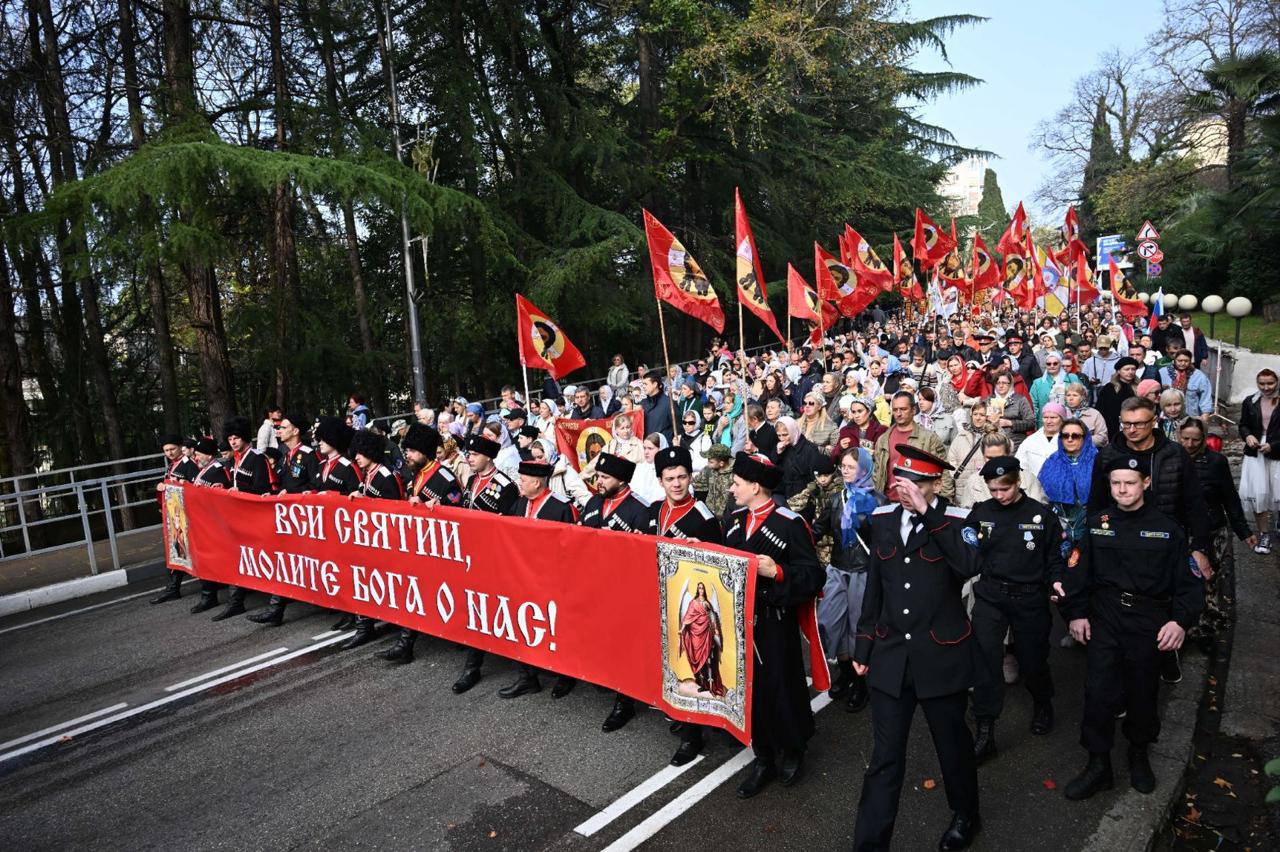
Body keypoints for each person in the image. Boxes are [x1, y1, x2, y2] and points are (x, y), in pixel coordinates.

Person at [852, 445, 983, 852]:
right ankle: (870, 843)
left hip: (940, 654)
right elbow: (876, 585)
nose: (903, 489)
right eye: (899, 480)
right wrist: (863, 644)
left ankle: (966, 814)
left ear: (934, 484)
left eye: (914, 483)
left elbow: (968, 565)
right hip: (892, 655)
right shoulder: (882, 519)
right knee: (885, 757)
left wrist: (928, 512)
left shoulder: (958, 520)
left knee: (952, 746)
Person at [1059, 454, 1204, 800]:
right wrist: (1076, 614)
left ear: (1146, 484)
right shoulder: (1096, 525)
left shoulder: (1168, 530)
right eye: (1116, 483)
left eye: (1130, 483)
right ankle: (1098, 765)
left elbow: (1189, 584)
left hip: (1147, 621)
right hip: (1105, 617)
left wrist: (1180, 621)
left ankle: (1139, 754)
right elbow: (1076, 574)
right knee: (1097, 692)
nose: (1122, 490)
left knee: (1142, 692)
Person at [723, 452, 826, 798]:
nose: (731, 488)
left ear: (755, 486)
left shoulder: (789, 523)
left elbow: (813, 575)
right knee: (749, 692)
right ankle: (763, 755)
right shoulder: (735, 520)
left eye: (736, 484)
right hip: (741, 621)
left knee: (782, 688)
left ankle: (794, 748)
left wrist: (778, 572)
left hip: (775, 622)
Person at [964, 456, 1063, 766]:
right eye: (993, 490)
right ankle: (985, 729)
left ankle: (1043, 703)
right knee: (985, 660)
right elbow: (966, 545)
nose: (999, 495)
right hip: (992, 596)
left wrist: (1058, 581)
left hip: (1029, 598)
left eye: (1004, 489)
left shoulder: (1040, 515)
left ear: (1018, 482)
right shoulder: (981, 512)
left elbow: (1055, 557)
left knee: (1033, 660)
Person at [648, 445, 723, 767]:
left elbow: (717, 565)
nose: (676, 484)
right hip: (660, 599)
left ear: (691, 478)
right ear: (660, 481)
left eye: (682, 477)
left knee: (691, 668)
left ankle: (692, 735)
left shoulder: (703, 517)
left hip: (691, 610)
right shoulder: (655, 510)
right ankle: (680, 714)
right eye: (669, 478)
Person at [380, 424, 463, 664]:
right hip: (419, 545)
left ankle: (461, 635)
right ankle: (406, 644)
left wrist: (436, 507)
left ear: (425, 452)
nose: (408, 455)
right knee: (411, 590)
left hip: (443, 547)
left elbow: (457, 508)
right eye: (407, 451)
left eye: (413, 451)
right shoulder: (416, 473)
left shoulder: (444, 476)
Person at [498, 459, 580, 699]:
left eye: (523, 480)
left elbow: (570, 548)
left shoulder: (561, 507)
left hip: (552, 581)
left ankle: (566, 675)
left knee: (557, 627)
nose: (519, 483)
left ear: (536, 482)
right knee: (523, 626)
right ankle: (527, 676)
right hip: (522, 577)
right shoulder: (521, 502)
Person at [811, 447, 885, 712]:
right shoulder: (836, 498)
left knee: (857, 629)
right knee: (830, 623)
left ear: (864, 468)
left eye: (851, 467)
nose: (845, 471)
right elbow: (818, 529)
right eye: (843, 466)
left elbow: (884, 543)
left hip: (864, 572)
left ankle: (861, 683)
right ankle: (846, 672)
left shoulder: (878, 501)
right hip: (837, 568)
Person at [450, 434, 519, 694]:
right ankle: (472, 666)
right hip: (470, 556)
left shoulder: (505, 485)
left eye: (474, 454)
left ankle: (525, 671)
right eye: (468, 454)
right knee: (473, 610)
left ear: (488, 456)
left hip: (494, 559)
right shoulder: (470, 480)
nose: (469, 458)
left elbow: (511, 527)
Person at [1178, 419, 1255, 642]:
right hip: (1182, 529)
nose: (1190, 444)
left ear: (1203, 439)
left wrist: (1244, 531)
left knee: (1209, 577)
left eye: (1195, 439)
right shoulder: (1172, 458)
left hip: (1212, 529)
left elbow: (1230, 498)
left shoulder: (1216, 462)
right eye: (1186, 439)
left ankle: (1206, 625)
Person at [247, 412, 319, 627]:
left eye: (284, 427)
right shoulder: (285, 455)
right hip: (290, 520)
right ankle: (275, 609)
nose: (279, 431)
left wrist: (293, 495)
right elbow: (284, 483)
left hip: (307, 520)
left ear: (296, 431)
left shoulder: (308, 455)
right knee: (285, 562)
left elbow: (316, 486)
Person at [336, 429, 406, 650]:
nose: (356, 456)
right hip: (369, 541)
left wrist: (366, 500)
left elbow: (395, 510)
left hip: (387, 543)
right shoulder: (367, 474)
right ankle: (364, 626)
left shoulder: (385, 476)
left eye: (360, 452)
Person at [210, 416, 278, 622]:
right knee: (236, 558)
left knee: (269, 560)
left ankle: (277, 604)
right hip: (239, 518)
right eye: (230, 438)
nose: (233, 442)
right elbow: (235, 483)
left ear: (245, 438)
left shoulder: (257, 458)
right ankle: (236, 602)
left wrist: (240, 490)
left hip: (257, 519)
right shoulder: (235, 460)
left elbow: (264, 489)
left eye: (236, 438)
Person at [873, 392, 953, 500]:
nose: (898, 413)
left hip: (920, 502)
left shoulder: (928, 438)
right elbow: (877, 472)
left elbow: (943, 473)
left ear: (914, 410)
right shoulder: (883, 439)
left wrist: (945, 501)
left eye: (903, 409)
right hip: (888, 501)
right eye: (895, 409)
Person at [152, 434, 201, 605]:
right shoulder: (173, 465)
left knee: (192, 551)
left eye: (172, 449)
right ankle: (173, 588)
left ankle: (210, 588)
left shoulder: (189, 465)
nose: (170, 453)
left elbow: (197, 488)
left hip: (188, 517)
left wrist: (178, 485)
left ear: (181, 447)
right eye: (166, 450)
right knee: (176, 551)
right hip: (176, 519)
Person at [1239, 368, 1280, 555]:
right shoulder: (1250, 401)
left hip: (1276, 451)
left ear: (1277, 381)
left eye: (1270, 383)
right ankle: (1264, 532)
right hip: (1255, 452)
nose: (1266, 387)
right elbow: (1243, 424)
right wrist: (1247, 436)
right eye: (1262, 384)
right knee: (1258, 492)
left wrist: (1274, 445)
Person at [775, 415, 825, 500]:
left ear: (792, 431)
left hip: (803, 494)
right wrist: (778, 453)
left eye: (785, 435)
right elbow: (776, 468)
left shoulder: (809, 448)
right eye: (779, 435)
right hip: (784, 491)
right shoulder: (781, 446)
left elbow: (812, 474)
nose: (782, 438)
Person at [1029, 352, 1082, 424]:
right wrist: (1033, 423)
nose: (1052, 366)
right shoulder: (1038, 383)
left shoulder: (1072, 378)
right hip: (1046, 422)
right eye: (1048, 364)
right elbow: (1033, 405)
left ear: (1060, 364)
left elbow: (1082, 398)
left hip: (1068, 421)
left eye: (1055, 363)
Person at [986, 374, 1034, 451]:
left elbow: (1031, 423)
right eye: (998, 383)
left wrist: (1010, 423)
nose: (1001, 386)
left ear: (1010, 384)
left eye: (1004, 383)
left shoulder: (1020, 400)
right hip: (993, 443)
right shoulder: (989, 400)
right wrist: (988, 421)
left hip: (1015, 444)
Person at [1096, 357, 1139, 441]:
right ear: (1119, 371)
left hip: (1134, 426)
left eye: (1133, 369)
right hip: (1113, 428)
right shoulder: (1109, 388)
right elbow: (1101, 409)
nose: (1130, 372)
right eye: (1126, 369)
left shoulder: (1139, 387)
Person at [692, 443, 735, 518]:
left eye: (711, 462)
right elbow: (696, 484)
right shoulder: (708, 470)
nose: (708, 464)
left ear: (721, 463)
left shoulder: (736, 474)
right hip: (710, 515)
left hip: (728, 517)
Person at [1064, 383, 1108, 447]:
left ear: (1083, 397)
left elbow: (1103, 438)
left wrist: (1081, 441)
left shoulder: (1094, 414)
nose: (1071, 398)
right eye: (1068, 395)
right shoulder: (1061, 413)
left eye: (1075, 395)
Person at [799, 390, 840, 455]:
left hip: (817, 463)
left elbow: (835, 452)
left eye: (811, 403)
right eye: (805, 403)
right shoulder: (796, 423)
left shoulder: (831, 426)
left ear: (819, 406)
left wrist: (819, 449)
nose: (807, 406)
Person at [640, 369, 674, 442]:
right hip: (647, 446)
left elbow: (677, 428)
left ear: (655, 384)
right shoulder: (643, 403)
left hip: (663, 446)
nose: (643, 386)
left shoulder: (669, 403)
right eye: (642, 384)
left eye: (645, 384)